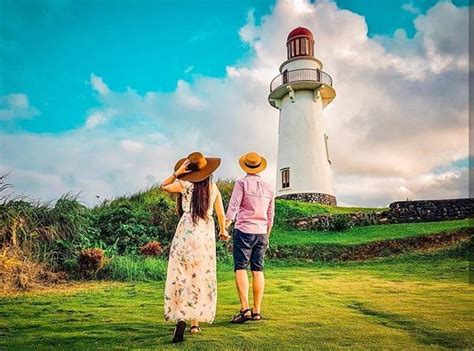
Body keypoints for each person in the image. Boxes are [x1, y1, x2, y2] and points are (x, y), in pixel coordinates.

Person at [161, 151, 230, 343]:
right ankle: (195, 324)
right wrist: (223, 231)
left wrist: (178, 173)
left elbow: (164, 186)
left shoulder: (185, 184)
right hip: (204, 235)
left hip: (185, 232)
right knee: (200, 275)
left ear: (189, 170)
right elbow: (221, 215)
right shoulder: (213, 188)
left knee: (182, 274)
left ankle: (181, 316)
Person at [225, 151, 275, 323]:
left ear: (245, 166)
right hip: (261, 232)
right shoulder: (269, 187)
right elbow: (271, 215)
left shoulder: (242, 183)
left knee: (240, 267)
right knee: (258, 270)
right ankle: (257, 312)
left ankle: (245, 309)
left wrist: (224, 227)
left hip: (244, 230)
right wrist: (266, 234)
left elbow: (233, 207)